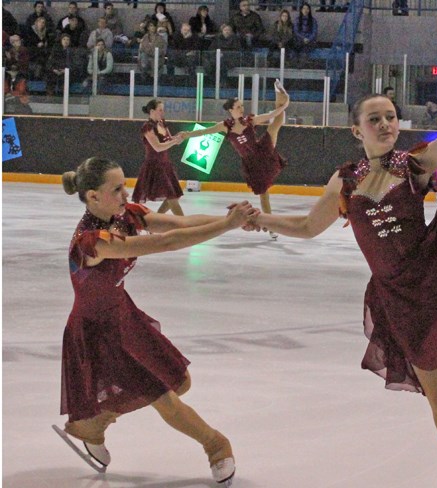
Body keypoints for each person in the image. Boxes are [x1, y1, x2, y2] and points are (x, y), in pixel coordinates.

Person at [244, 26, 437, 488]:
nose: (385, 124)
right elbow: (307, 226)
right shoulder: (345, 180)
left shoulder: (411, 165)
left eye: (390, 117)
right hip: (401, 300)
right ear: (356, 130)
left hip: (436, 265)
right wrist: (263, 220)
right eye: (374, 119)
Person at [57, 156, 257, 484]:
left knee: (181, 382)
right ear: (93, 197)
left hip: (123, 317)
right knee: (163, 396)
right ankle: (216, 446)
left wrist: (231, 219)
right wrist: (227, 225)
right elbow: (164, 243)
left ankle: (92, 425)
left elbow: (180, 224)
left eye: (125, 185)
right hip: (97, 331)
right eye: (117, 189)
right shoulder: (91, 243)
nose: (126, 194)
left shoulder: (127, 216)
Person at [181, 80, 290, 240]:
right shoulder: (224, 126)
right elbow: (205, 131)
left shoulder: (250, 121)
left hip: (263, 150)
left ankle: (279, 93)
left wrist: (284, 106)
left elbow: (270, 116)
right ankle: (271, 225)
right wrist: (187, 135)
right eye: (238, 107)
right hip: (251, 163)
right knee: (263, 194)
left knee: (276, 123)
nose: (242, 109)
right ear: (231, 110)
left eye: (242, 106)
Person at [132, 99, 186, 215]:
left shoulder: (162, 123)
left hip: (166, 165)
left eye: (163, 110)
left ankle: (156, 221)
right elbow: (157, 147)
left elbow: (170, 140)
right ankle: (185, 225)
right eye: (160, 110)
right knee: (172, 198)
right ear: (152, 111)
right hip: (155, 166)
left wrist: (179, 138)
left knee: (174, 196)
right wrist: (174, 142)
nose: (162, 112)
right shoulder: (148, 127)